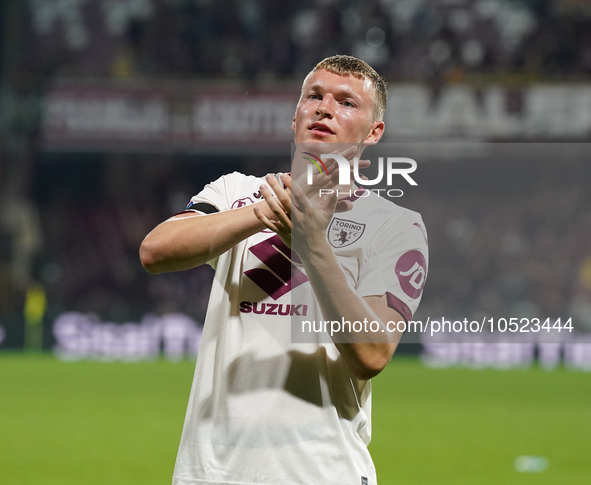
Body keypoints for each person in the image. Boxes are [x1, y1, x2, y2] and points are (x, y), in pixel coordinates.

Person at [140, 55, 428, 485]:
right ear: (295, 117)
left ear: (374, 132)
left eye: (346, 102)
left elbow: (372, 354)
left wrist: (312, 244)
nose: (324, 108)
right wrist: (268, 210)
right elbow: (155, 251)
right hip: (211, 473)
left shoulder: (395, 225)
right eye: (313, 96)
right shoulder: (234, 191)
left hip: (321, 473)